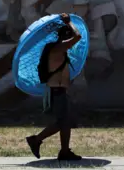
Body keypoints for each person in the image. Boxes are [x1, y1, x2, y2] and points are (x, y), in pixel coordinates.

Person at [26, 13, 82, 161]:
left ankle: (64, 151)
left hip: (59, 91)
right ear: (64, 37)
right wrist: (69, 22)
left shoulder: (58, 50)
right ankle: (36, 140)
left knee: (66, 122)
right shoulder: (57, 49)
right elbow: (78, 37)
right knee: (63, 122)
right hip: (56, 91)